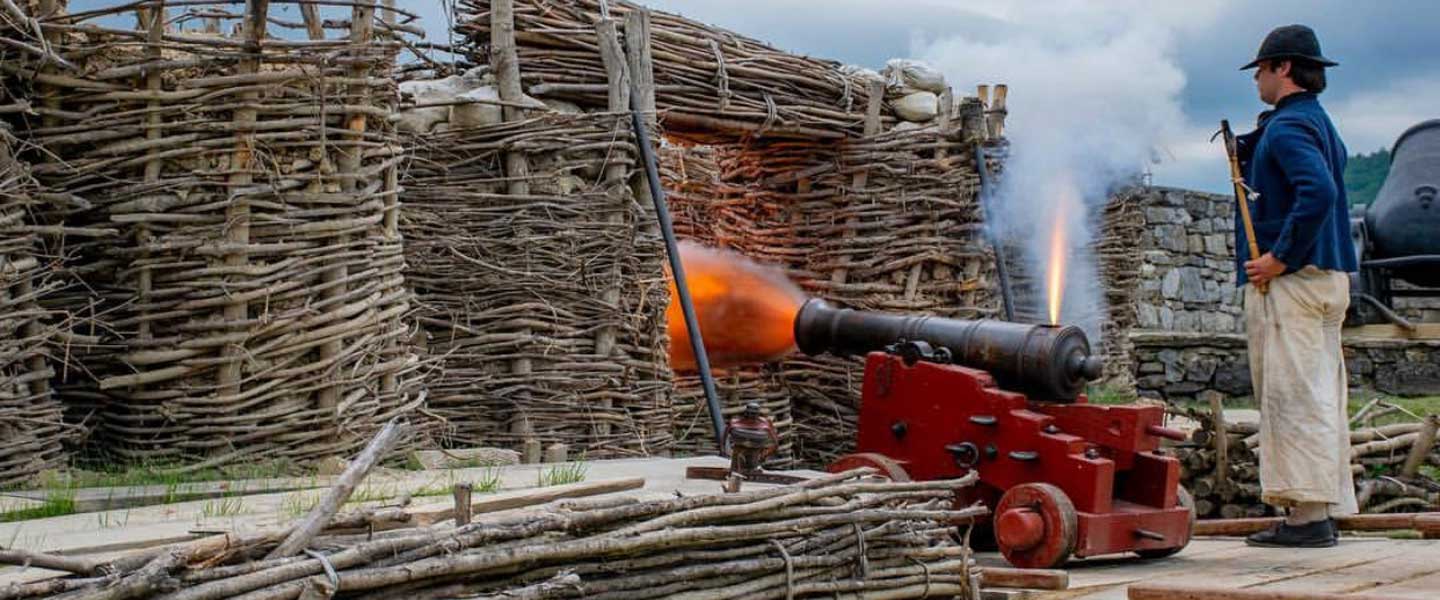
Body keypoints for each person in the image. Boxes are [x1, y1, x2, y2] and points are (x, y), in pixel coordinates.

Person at [1232, 24, 1357, 548]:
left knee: (1293, 398)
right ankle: (1320, 508)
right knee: (1320, 395)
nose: (1257, 78)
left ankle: (1306, 521)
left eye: (1261, 69)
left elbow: (1318, 191)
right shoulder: (1315, 122)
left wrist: (1279, 258)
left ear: (1283, 68)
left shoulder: (1288, 128)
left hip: (1298, 283)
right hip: (1328, 279)